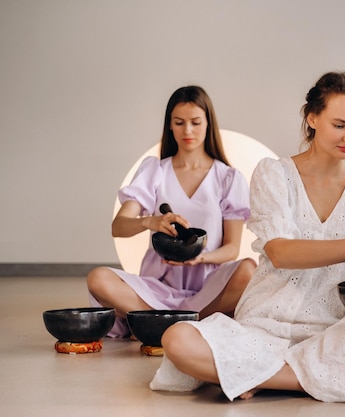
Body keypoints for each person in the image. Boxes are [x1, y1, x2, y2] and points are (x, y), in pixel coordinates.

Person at [150, 72, 345, 402]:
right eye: (340, 124)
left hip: (333, 332)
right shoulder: (274, 174)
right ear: (312, 117)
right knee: (177, 339)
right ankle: (309, 380)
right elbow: (281, 253)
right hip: (263, 326)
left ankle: (256, 375)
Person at [87, 85, 256, 338]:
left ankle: (161, 325)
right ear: (170, 125)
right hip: (158, 288)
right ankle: (182, 327)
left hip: (209, 288)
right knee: (98, 278)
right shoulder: (155, 170)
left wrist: (199, 258)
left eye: (195, 122)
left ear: (208, 124)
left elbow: (232, 248)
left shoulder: (228, 178)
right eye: (179, 122)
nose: (187, 130)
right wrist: (150, 222)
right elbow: (118, 226)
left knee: (249, 270)